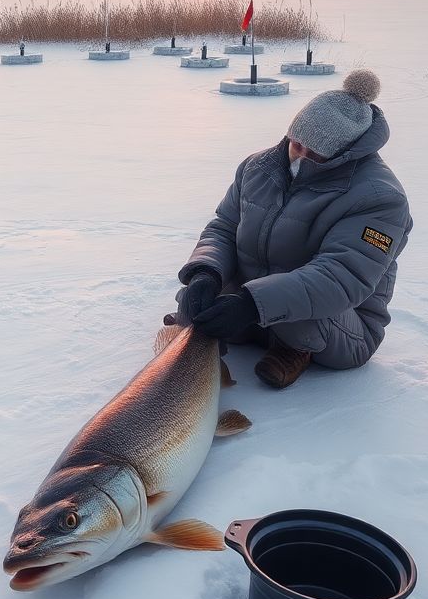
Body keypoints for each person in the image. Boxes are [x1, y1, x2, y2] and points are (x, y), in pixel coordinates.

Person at [171, 69, 412, 389]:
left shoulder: (380, 198)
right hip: (256, 300)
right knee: (196, 298)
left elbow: (340, 277)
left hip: (342, 324)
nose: (301, 157)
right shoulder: (257, 167)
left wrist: (250, 304)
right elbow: (225, 227)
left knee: (300, 318)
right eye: (297, 144)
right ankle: (229, 321)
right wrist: (206, 272)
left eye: (316, 154)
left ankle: (296, 349)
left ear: (343, 155)